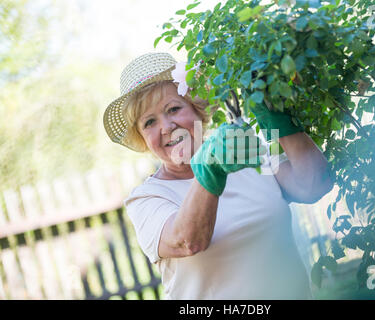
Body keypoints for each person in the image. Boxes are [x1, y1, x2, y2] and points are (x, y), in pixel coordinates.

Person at [103, 52, 333, 299]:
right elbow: (188, 241)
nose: (166, 127)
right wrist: (210, 169)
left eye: (173, 108)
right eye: (149, 122)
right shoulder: (147, 198)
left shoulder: (245, 153)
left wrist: (277, 117)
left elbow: (313, 185)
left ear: (197, 109)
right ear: (143, 139)